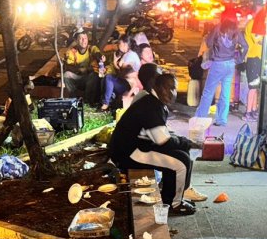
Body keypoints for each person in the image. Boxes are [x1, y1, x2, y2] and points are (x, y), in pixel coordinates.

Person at [108, 72, 198, 215]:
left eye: (174, 88)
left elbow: (162, 135)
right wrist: (188, 142)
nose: (172, 93)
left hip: (137, 146)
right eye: (168, 88)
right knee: (181, 161)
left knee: (181, 154)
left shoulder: (153, 101)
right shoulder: (151, 106)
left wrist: (183, 143)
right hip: (128, 153)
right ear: (157, 87)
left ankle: (172, 196)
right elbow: (163, 140)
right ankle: (174, 204)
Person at [196, 13, 248, 127]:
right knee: (225, 92)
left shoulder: (218, 28)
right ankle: (222, 120)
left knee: (208, 92)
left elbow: (208, 43)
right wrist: (238, 59)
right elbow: (245, 46)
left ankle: (201, 118)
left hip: (217, 63)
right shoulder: (236, 30)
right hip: (230, 64)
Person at [240, 0, 267, 119]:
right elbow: (259, 40)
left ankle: (254, 109)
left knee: (256, 86)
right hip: (252, 58)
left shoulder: (259, 23)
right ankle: (248, 112)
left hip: (258, 57)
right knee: (252, 86)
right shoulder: (253, 24)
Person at [102, 36, 142, 111]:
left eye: (119, 43)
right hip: (128, 83)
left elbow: (123, 72)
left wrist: (115, 63)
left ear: (124, 44)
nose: (117, 45)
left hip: (130, 85)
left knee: (108, 78)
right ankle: (108, 102)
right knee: (108, 79)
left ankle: (106, 104)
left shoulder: (129, 55)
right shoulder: (130, 54)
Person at [63, 31, 102, 105]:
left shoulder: (92, 48)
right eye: (81, 39)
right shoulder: (72, 52)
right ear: (77, 41)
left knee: (94, 75)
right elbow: (67, 67)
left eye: (85, 38)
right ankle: (73, 99)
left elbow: (97, 53)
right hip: (78, 78)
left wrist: (100, 57)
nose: (84, 41)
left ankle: (88, 101)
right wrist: (79, 70)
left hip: (89, 78)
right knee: (66, 75)